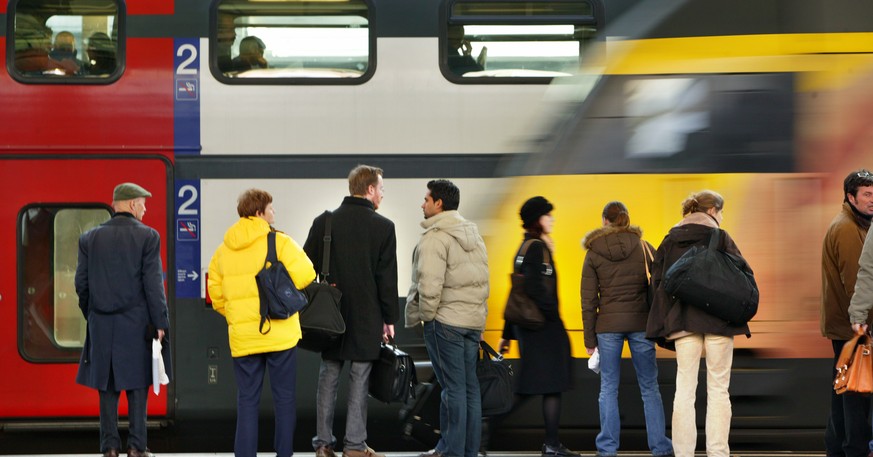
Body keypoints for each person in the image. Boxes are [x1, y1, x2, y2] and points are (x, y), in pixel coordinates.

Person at [207, 189, 316, 457]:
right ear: (259, 212)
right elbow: (307, 274)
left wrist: (236, 317)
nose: (273, 214)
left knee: (246, 400)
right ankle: (283, 453)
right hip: (280, 335)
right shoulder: (279, 241)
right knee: (284, 399)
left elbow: (217, 295)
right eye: (271, 209)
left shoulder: (223, 250)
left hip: (244, 338)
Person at [645, 190, 750, 457]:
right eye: (722, 212)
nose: (722, 217)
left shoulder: (669, 240)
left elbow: (657, 284)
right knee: (718, 389)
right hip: (720, 323)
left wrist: (663, 323)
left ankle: (683, 453)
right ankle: (717, 452)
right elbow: (742, 277)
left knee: (684, 389)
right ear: (713, 210)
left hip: (682, 323)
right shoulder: (720, 236)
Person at [304, 165, 399, 457]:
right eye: (381, 188)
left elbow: (305, 266)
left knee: (328, 377)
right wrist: (389, 319)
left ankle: (323, 443)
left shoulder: (325, 222)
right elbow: (386, 279)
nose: (382, 194)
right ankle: (355, 446)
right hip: (367, 317)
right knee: (359, 380)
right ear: (369, 189)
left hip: (330, 315)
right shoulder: (384, 227)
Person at [75, 182, 171, 457]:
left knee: (106, 386)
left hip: (101, 324)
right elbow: (153, 285)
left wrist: (93, 314)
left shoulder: (89, 239)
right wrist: (160, 322)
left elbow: (81, 284)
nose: (145, 208)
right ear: (131, 204)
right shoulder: (148, 237)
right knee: (138, 384)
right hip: (137, 324)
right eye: (142, 203)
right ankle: (136, 446)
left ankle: (110, 447)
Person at [581, 201, 672, 457]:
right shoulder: (643, 247)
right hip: (641, 324)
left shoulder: (593, 251)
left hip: (607, 326)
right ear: (627, 219)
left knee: (608, 387)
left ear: (604, 221)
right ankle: (660, 447)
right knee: (649, 387)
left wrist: (590, 339)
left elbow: (588, 300)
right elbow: (659, 282)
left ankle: (607, 449)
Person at [405, 180, 489, 457]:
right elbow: (483, 281)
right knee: (468, 389)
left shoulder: (435, 238)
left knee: (452, 389)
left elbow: (429, 285)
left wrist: (427, 319)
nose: (422, 204)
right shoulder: (473, 235)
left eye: (426, 199)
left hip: (446, 323)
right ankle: (465, 450)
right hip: (472, 323)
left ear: (439, 203)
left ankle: (451, 451)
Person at [494, 196, 579, 457]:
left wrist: (508, 334)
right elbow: (531, 288)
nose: (551, 219)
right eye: (547, 215)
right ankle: (486, 424)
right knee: (539, 385)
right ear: (537, 219)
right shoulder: (535, 248)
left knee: (542, 384)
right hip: (542, 328)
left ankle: (551, 443)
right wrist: (554, 316)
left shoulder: (525, 246)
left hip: (531, 328)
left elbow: (515, 292)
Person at [823, 169, 873, 457]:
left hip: (848, 324)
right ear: (850, 197)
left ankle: (837, 448)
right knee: (855, 392)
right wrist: (862, 320)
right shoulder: (847, 229)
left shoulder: (857, 224)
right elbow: (857, 280)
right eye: (866, 194)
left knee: (843, 389)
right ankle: (852, 449)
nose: (871, 199)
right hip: (852, 326)